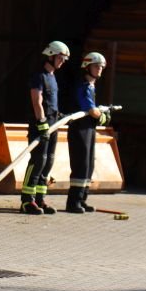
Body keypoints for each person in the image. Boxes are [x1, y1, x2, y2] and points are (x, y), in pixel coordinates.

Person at [20, 41, 69, 215]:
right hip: (41, 125)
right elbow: (37, 101)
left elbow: (50, 102)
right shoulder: (39, 76)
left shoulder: (52, 76)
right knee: (38, 160)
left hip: (53, 124)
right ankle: (27, 201)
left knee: (48, 161)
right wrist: (41, 122)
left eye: (64, 59)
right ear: (51, 55)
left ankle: (40, 198)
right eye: (60, 58)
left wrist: (58, 116)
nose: (62, 61)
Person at [67, 51, 109, 213]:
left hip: (88, 128)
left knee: (89, 164)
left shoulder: (91, 86)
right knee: (81, 164)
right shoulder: (83, 86)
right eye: (96, 66)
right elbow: (90, 109)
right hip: (80, 129)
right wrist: (102, 116)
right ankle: (73, 202)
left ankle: (83, 199)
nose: (99, 69)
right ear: (87, 67)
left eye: (101, 67)